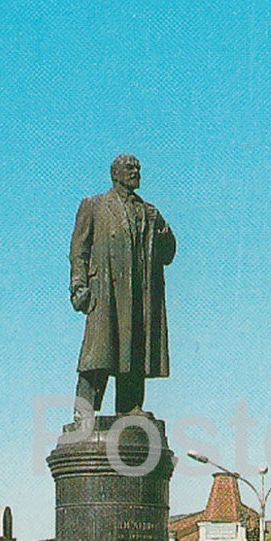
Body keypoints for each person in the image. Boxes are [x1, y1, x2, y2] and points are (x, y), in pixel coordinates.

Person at [68, 154, 177, 420]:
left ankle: (129, 408)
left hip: (140, 293)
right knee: (99, 354)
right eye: (130, 168)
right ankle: (83, 413)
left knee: (135, 352)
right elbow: (78, 249)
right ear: (115, 174)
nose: (136, 171)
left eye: (138, 168)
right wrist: (78, 284)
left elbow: (168, 254)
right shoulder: (94, 205)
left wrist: (163, 231)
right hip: (106, 290)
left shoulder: (149, 212)